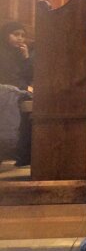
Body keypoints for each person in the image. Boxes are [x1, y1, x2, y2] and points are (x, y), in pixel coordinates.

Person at [0, 22, 33, 166]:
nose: (20, 38)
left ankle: (24, 155)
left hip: (18, 90)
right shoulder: (2, 53)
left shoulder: (20, 54)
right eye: (15, 34)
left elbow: (29, 76)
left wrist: (26, 58)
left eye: (22, 35)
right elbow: (9, 77)